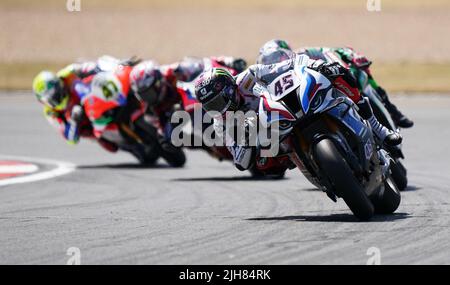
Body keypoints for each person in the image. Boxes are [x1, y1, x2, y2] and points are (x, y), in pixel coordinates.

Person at [194, 54, 402, 171]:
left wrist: (318, 65)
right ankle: (314, 166)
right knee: (265, 164)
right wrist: (247, 139)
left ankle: (378, 129)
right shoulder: (221, 122)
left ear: (230, 88)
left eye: (219, 101)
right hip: (276, 138)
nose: (218, 109)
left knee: (339, 73)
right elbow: (239, 160)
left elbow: (291, 63)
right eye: (211, 106)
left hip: (290, 106)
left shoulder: (249, 77)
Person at [257, 39, 414, 128]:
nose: (276, 62)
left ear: (287, 52)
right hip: (316, 102)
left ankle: (394, 112)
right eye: (268, 61)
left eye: (278, 56)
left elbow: (333, 51)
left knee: (362, 74)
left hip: (334, 80)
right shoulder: (272, 78)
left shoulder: (302, 53)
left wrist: (352, 56)